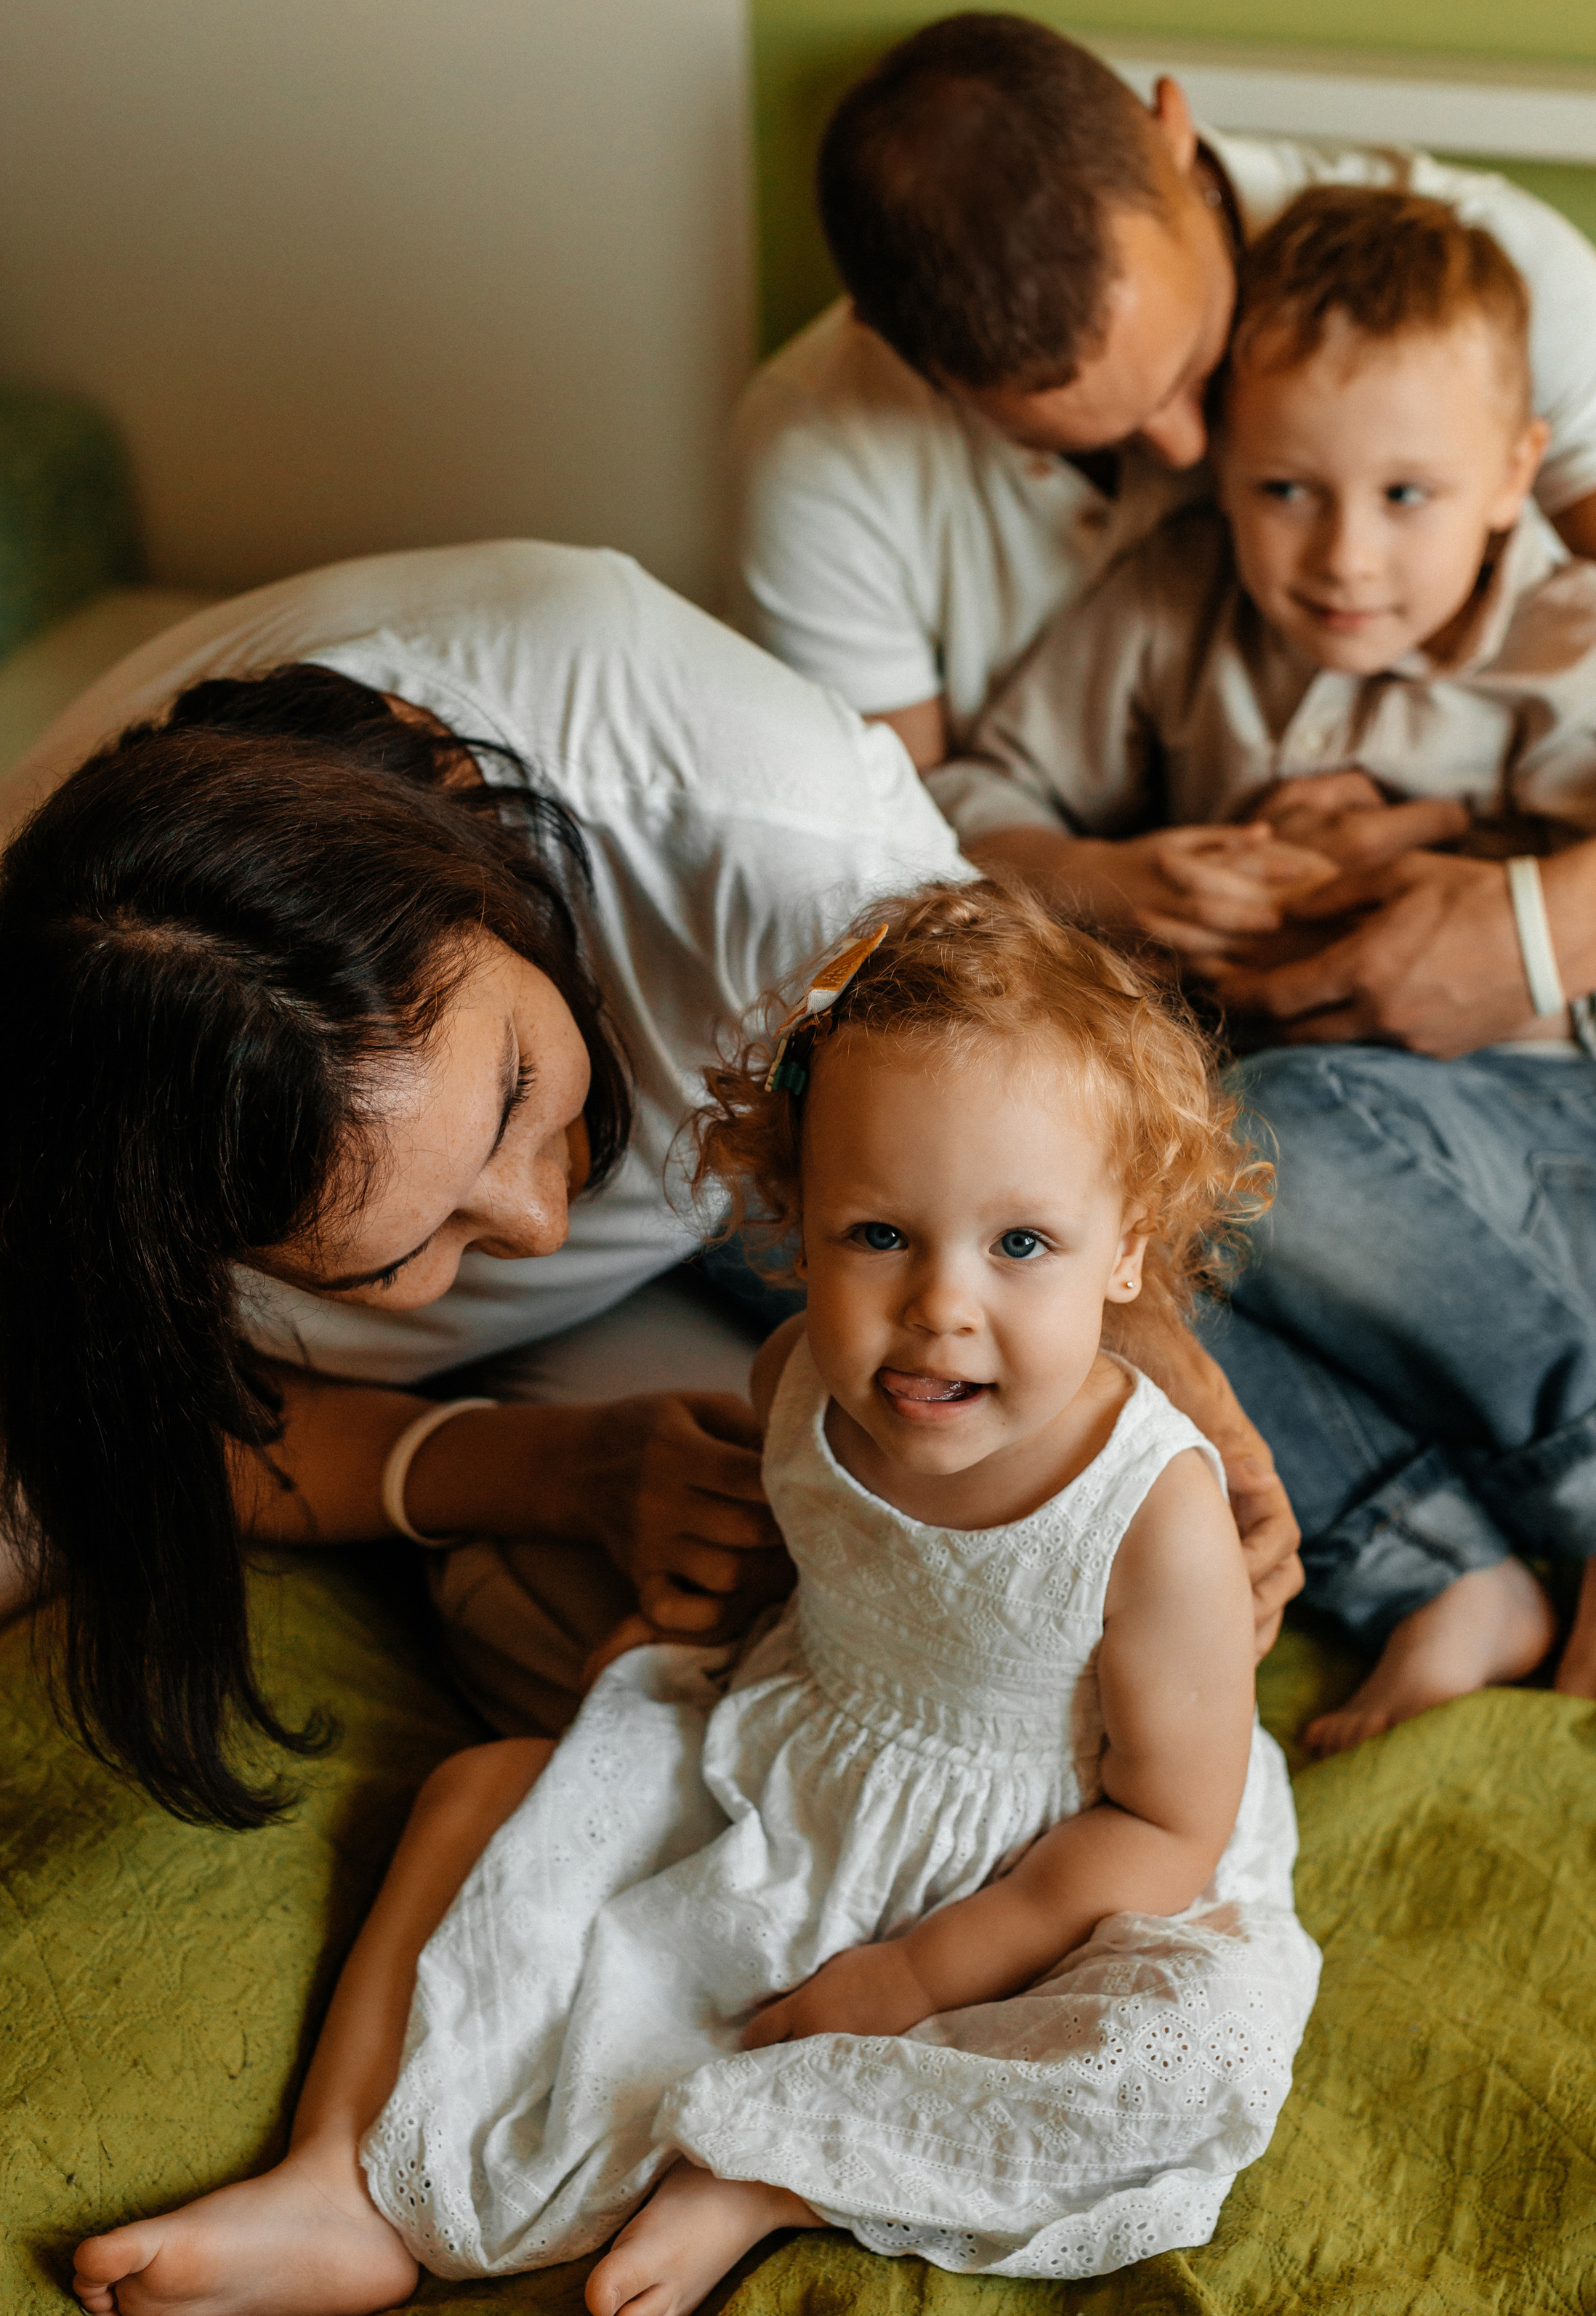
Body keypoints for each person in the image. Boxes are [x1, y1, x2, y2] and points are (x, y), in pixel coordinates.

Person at [71, 882, 1323, 2316]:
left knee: (1181, 2057)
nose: (938, 1308)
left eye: (1021, 1247)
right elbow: (811, 1572)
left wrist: (915, 1975)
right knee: (488, 1796)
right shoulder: (797, 1373)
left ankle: (768, 2179)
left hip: (1047, 1866)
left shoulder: (1147, 1509)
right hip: (807, 1763)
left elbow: (1167, 1831)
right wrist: (645, 1691)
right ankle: (335, 2180)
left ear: (1129, 1251)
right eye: (877, 1234)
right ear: (792, 1223)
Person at [728, 9, 1596, 1516]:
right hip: (1225, 1082)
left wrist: (1509, 929)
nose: (1190, 461)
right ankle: (1585, 1443)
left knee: (1276, 1187)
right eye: (1111, 437)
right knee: (894, 1229)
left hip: (1556, 1094)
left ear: (1172, 135)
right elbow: (904, 908)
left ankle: (1476, 1377)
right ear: (910, 365)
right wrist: (1109, 889)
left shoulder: (1473, 289)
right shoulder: (835, 462)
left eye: (1197, 368)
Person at [0, 540, 1301, 1829]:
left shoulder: (762, 816)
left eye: (514, 1090)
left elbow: (1035, 1120)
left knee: (1236, 1280)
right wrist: (540, 1466)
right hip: (595, 1318)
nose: (542, 1219)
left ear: (480, 857)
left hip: (838, 1123)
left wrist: (1189, 1406)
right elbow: (139, 1447)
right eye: (398, 1257)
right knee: (685, 1634)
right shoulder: (67, 1158)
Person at [933, 187, 1596, 1746]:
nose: (1343, 555)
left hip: (1560, 1155)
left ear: (1513, 476)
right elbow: (965, 806)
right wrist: (1117, 881)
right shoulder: (1172, 611)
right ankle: (1443, 1575)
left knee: (1266, 1125)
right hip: (1259, 1192)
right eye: (1283, 488)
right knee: (1094, 1255)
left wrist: (1454, 884)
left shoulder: (1595, 658)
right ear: (1219, 460)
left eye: (1407, 495)